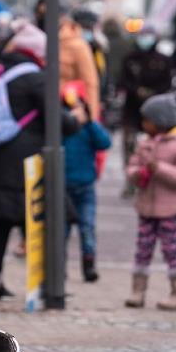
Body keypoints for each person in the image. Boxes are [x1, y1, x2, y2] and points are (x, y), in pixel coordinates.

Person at [0, 22, 84, 300]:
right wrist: (77, 118)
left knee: (2, 223)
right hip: (28, 162)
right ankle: (47, 283)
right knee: (43, 219)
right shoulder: (35, 78)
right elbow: (58, 121)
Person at [124, 91, 176, 311]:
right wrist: (137, 174)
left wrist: (160, 169)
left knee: (171, 250)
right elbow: (131, 167)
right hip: (146, 208)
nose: (143, 124)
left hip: (171, 210)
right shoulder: (144, 144)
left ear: (160, 121)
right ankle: (138, 291)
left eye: (147, 120)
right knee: (142, 250)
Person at [61, 80, 112, 282]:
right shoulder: (61, 127)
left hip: (85, 186)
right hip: (63, 187)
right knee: (61, 230)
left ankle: (88, 265)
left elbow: (105, 143)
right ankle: (59, 267)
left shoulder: (89, 127)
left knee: (87, 227)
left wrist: (89, 122)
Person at [118, 26, 174, 197]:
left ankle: (154, 180)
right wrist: (137, 90)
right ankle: (131, 181)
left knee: (157, 148)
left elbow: (167, 83)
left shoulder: (163, 60)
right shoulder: (130, 58)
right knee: (130, 146)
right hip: (132, 110)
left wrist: (152, 93)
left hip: (156, 114)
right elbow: (123, 81)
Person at [59, 12, 102, 120]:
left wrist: (91, 115)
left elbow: (92, 80)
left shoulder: (87, 46)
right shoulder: (79, 45)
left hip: (71, 106)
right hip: (70, 105)